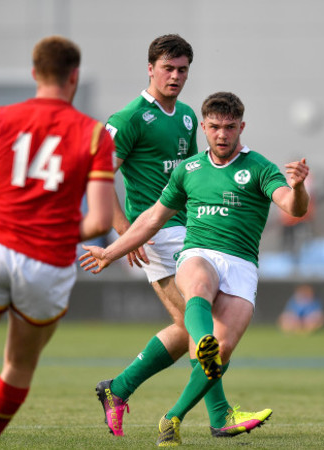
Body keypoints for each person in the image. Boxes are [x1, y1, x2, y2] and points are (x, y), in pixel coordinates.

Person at [81, 91, 310, 446]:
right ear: (204, 127)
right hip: (197, 251)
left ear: (241, 127)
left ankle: (172, 416)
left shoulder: (260, 167)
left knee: (219, 346)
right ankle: (214, 395)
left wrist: (298, 189)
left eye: (230, 127)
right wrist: (111, 252)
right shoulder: (189, 170)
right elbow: (153, 219)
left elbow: (292, 208)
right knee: (198, 285)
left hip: (242, 265)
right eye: (215, 127)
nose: (222, 135)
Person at [0, 36, 115, 450]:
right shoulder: (93, 135)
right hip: (46, 264)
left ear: (34, 74)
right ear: (75, 76)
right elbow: (101, 220)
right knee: (18, 365)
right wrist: (52, 231)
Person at [95, 34, 264, 439]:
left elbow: (196, 169)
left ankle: (117, 389)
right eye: (168, 68)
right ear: (150, 68)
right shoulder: (129, 118)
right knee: (202, 327)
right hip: (155, 232)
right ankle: (219, 416)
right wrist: (124, 232)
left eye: (183, 69)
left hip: (192, 229)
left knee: (193, 327)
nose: (175, 76)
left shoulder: (189, 115)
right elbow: (98, 175)